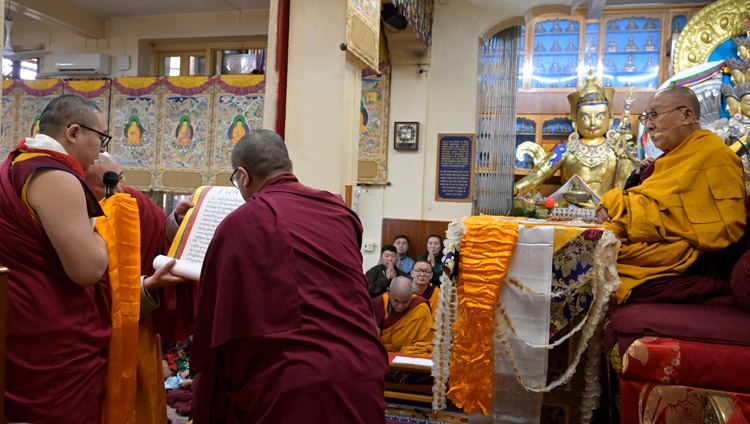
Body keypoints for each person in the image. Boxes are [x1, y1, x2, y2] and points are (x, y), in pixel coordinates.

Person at [190, 129, 388, 423]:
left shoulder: (241, 223)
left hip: (294, 380)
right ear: (288, 165)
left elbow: (218, 315)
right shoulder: (339, 211)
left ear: (243, 177)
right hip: (362, 368)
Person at [0, 94, 111, 422]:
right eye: (100, 139)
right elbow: (87, 270)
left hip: (17, 316)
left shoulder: (16, 163)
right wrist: (102, 238)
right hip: (48, 331)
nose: (102, 150)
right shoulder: (55, 175)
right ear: (74, 133)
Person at [595, 85, 747, 304]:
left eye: (655, 114)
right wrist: (617, 205)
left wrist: (619, 207)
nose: (648, 125)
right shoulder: (667, 160)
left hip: (686, 263)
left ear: (687, 115)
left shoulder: (715, 157)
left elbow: (725, 229)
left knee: (590, 266)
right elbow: (650, 202)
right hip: (653, 250)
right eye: (646, 117)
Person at [85, 152, 195, 424]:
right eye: (107, 183)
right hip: (91, 328)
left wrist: (176, 222)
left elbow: (160, 237)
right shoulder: (74, 212)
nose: (119, 189)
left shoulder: (133, 200)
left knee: (141, 398)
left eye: (120, 178)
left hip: (137, 321)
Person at [514, 72, 638, 200]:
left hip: (605, 212)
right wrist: (516, 189)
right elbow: (538, 175)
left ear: (610, 120)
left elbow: (630, 184)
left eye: (600, 116)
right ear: (575, 122)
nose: (593, 122)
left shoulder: (618, 150)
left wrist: (627, 157)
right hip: (568, 211)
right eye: (585, 117)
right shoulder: (565, 150)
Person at [372, 276, 434, 355]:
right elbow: (372, 339)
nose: (400, 306)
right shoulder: (379, 303)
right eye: (396, 301)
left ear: (411, 294)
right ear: (388, 292)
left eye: (405, 302)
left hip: (408, 355)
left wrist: (403, 354)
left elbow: (425, 343)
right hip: (382, 354)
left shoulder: (420, 307)